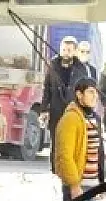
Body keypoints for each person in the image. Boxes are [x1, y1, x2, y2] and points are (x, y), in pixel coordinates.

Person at [54, 79, 104, 201]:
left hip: (92, 185)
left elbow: (99, 153)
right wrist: (74, 185)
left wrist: (101, 182)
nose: (95, 96)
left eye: (96, 92)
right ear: (79, 94)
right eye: (90, 92)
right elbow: (65, 155)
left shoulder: (96, 119)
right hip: (77, 186)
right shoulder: (70, 119)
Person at [42, 37, 88, 173]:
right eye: (63, 50)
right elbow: (47, 88)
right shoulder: (53, 65)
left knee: (71, 140)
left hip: (73, 110)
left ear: (74, 51)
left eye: (69, 50)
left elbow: (85, 91)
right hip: (56, 109)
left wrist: (85, 110)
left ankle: (70, 168)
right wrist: (44, 109)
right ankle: (55, 169)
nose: (66, 53)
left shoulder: (81, 68)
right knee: (56, 140)